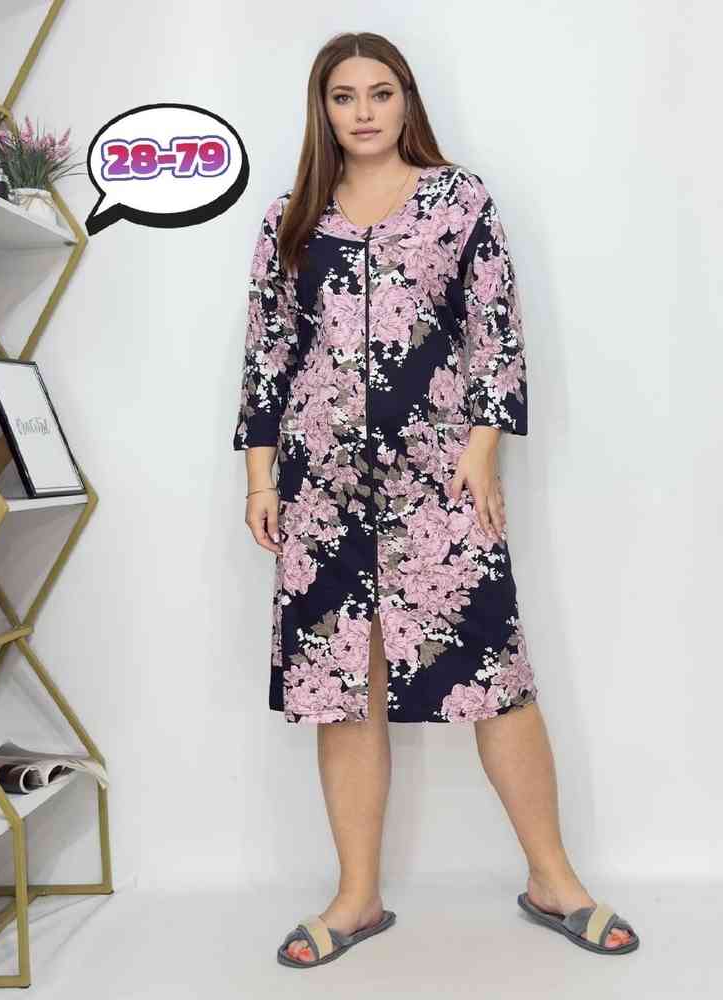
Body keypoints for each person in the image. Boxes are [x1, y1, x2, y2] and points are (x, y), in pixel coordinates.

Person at [233, 31, 640, 968]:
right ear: (323, 109)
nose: (364, 112)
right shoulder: (290, 216)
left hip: (438, 480)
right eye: (344, 96)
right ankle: (356, 899)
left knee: (496, 675)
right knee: (343, 690)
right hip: (321, 489)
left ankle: (554, 880)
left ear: (406, 100)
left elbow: (496, 329)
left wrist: (484, 453)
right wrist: (259, 477)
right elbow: (267, 353)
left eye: (381, 93)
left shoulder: (460, 200)